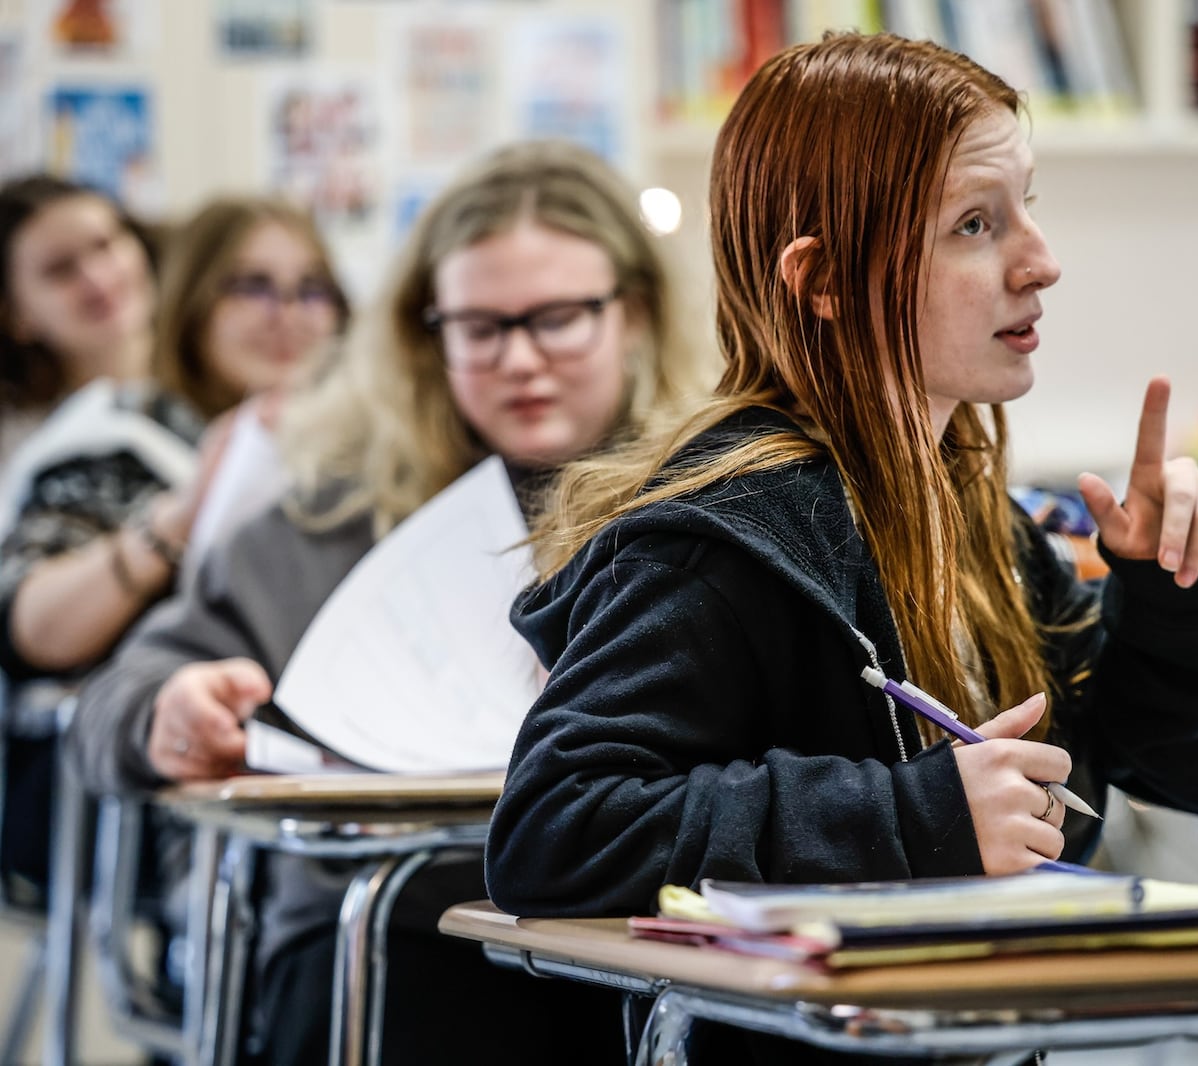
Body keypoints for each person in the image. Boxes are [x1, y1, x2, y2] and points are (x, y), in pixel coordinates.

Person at [484, 32, 1198, 1059]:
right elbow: (554, 830)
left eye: (1026, 206)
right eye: (975, 224)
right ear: (822, 279)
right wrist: (910, 818)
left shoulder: (961, 504)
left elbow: (1131, 767)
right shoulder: (725, 538)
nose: (1040, 260)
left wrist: (1183, 590)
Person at [70, 140, 706, 1065]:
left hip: (645, 933)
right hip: (388, 932)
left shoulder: (710, 508)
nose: (520, 358)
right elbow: (114, 699)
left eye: (560, 318)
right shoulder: (332, 516)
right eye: (480, 327)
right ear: (427, 333)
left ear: (636, 315)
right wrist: (164, 714)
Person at [0, 195, 344, 902]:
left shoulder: (371, 452)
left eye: (313, 288)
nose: (288, 313)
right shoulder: (121, 440)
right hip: (168, 806)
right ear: (192, 302)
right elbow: (30, 624)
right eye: (252, 286)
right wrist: (180, 518)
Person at [0, 174, 158, 465]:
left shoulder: (224, 382)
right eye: (60, 269)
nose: (97, 278)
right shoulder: (21, 452)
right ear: (15, 317)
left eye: (104, 245)